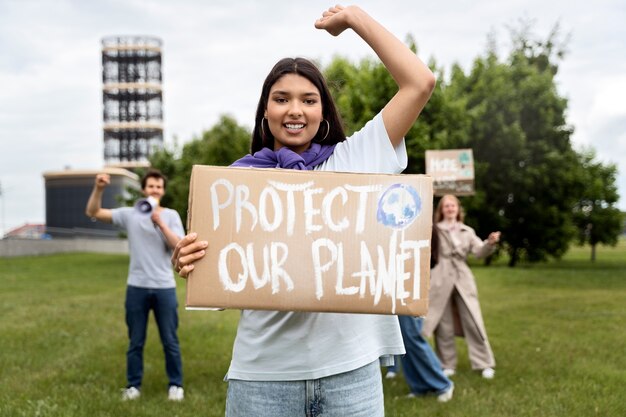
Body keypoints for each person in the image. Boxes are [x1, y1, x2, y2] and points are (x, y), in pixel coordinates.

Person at [172, 5, 436, 416]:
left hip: (351, 374)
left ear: (323, 112)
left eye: (308, 100)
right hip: (263, 378)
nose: (295, 110)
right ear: (266, 110)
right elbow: (223, 282)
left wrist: (354, 20)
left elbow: (419, 83)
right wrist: (190, 261)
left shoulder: (355, 161)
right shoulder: (236, 186)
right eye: (282, 99)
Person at [85, 169, 186, 401]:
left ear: (163, 191)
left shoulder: (170, 215)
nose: (154, 190)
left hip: (164, 287)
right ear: (144, 190)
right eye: (151, 186)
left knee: (170, 340)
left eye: (158, 187)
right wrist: (99, 188)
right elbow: (93, 212)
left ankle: (176, 385)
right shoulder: (130, 214)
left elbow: (178, 246)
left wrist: (160, 223)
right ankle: (133, 386)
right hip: (137, 287)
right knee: (135, 341)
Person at [423, 194, 501, 379]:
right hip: (440, 280)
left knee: (473, 320)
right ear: (441, 210)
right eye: (446, 206)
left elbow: (479, 252)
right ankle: (447, 364)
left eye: (453, 206)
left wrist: (489, 243)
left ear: (458, 209)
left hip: (462, 279)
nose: (450, 209)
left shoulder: (467, 231)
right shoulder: (434, 230)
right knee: (443, 324)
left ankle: (484, 363)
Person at [385, 226, 454, 402]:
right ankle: (419, 387)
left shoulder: (420, 219)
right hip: (395, 277)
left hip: (411, 279)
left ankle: (442, 383)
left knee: (413, 335)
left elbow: (431, 254)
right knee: (403, 339)